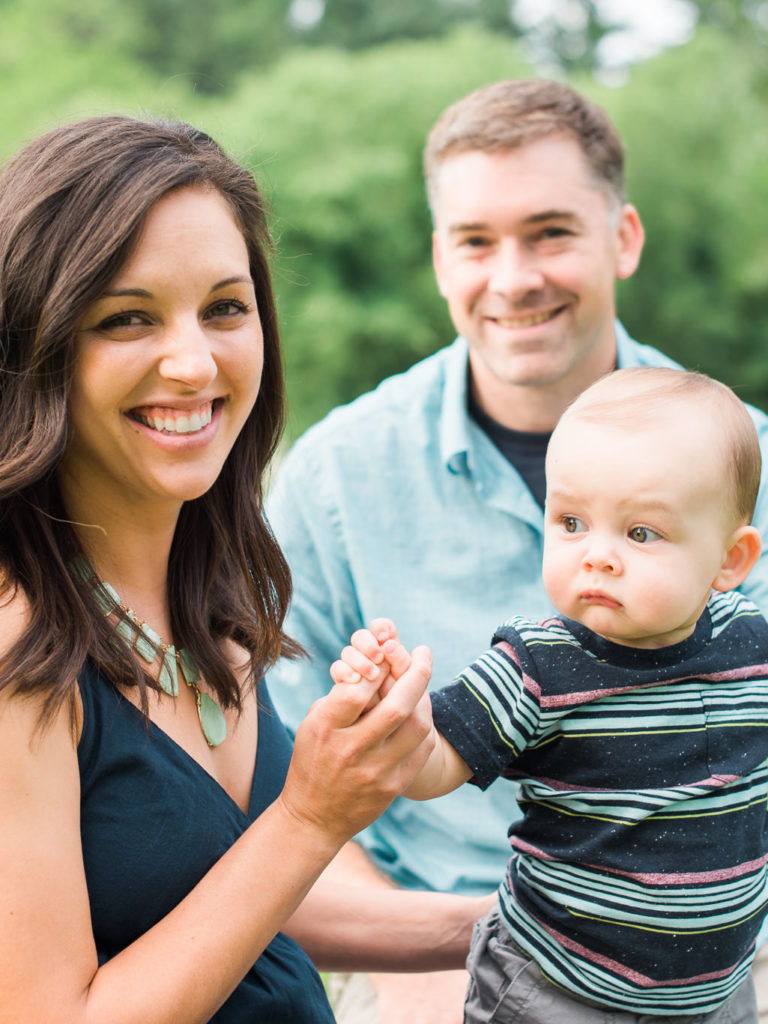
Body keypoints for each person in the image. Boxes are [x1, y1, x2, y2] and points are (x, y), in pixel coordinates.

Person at [265, 78, 768, 1022]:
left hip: (730, 963)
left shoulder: (750, 461)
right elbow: (284, 780)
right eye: (476, 241)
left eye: (550, 233)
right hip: (446, 957)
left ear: (622, 237)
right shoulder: (335, 476)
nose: (513, 277)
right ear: (439, 259)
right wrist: (416, 970)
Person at [0, 114, 492, 1023]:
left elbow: (232, 899)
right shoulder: (20, 646)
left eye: (225, 308)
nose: (194, 363)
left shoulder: (207, 597)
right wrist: (313, 815)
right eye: (127, 318)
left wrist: (514, 923)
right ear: (39, 346)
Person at [333, 366, 768, 1023]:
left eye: (640, 533)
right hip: (560, 989)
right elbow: (432, 770)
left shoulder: (752, 646)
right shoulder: (538, 664)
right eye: (571, 521)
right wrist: (400, 719)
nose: (597, 555)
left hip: (714, 992)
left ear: (730, 562)